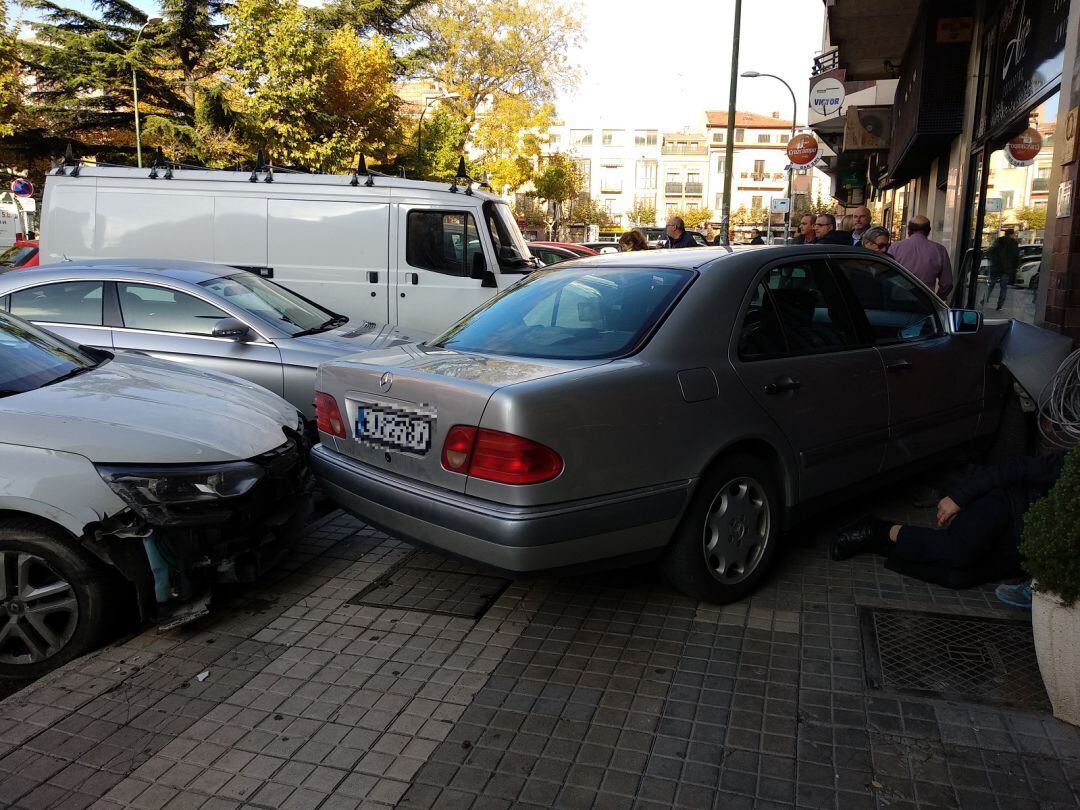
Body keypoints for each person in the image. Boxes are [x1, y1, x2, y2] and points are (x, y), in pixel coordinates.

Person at [831, 452, 1065, 590]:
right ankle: (876, 529)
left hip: (1019, 550)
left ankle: (884, 546)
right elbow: (1015, 468)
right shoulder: (1072, 463)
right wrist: (959, 497)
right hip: (1005, 507)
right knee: (955, 551)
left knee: (957, 578)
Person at [888, 216, 953, 298]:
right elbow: (947, 283)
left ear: (909, 230)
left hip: (897, 298)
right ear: (929, 230)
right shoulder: (939, 250)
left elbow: (886, 275)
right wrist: (938, 298)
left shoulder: (895, 248)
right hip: (925, 300)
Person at [985, 228, 1021, 310]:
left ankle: (984, 300)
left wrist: (992, 261)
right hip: (1006, 269)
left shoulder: (999, 240)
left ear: (1005, 234)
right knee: (1003, 287)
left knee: (991, 285)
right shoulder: (1014, 243)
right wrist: (1015, 268)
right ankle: (1000, 305)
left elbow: (991, 251)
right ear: (1012, 234)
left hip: (996, 267)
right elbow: (1016, 256)